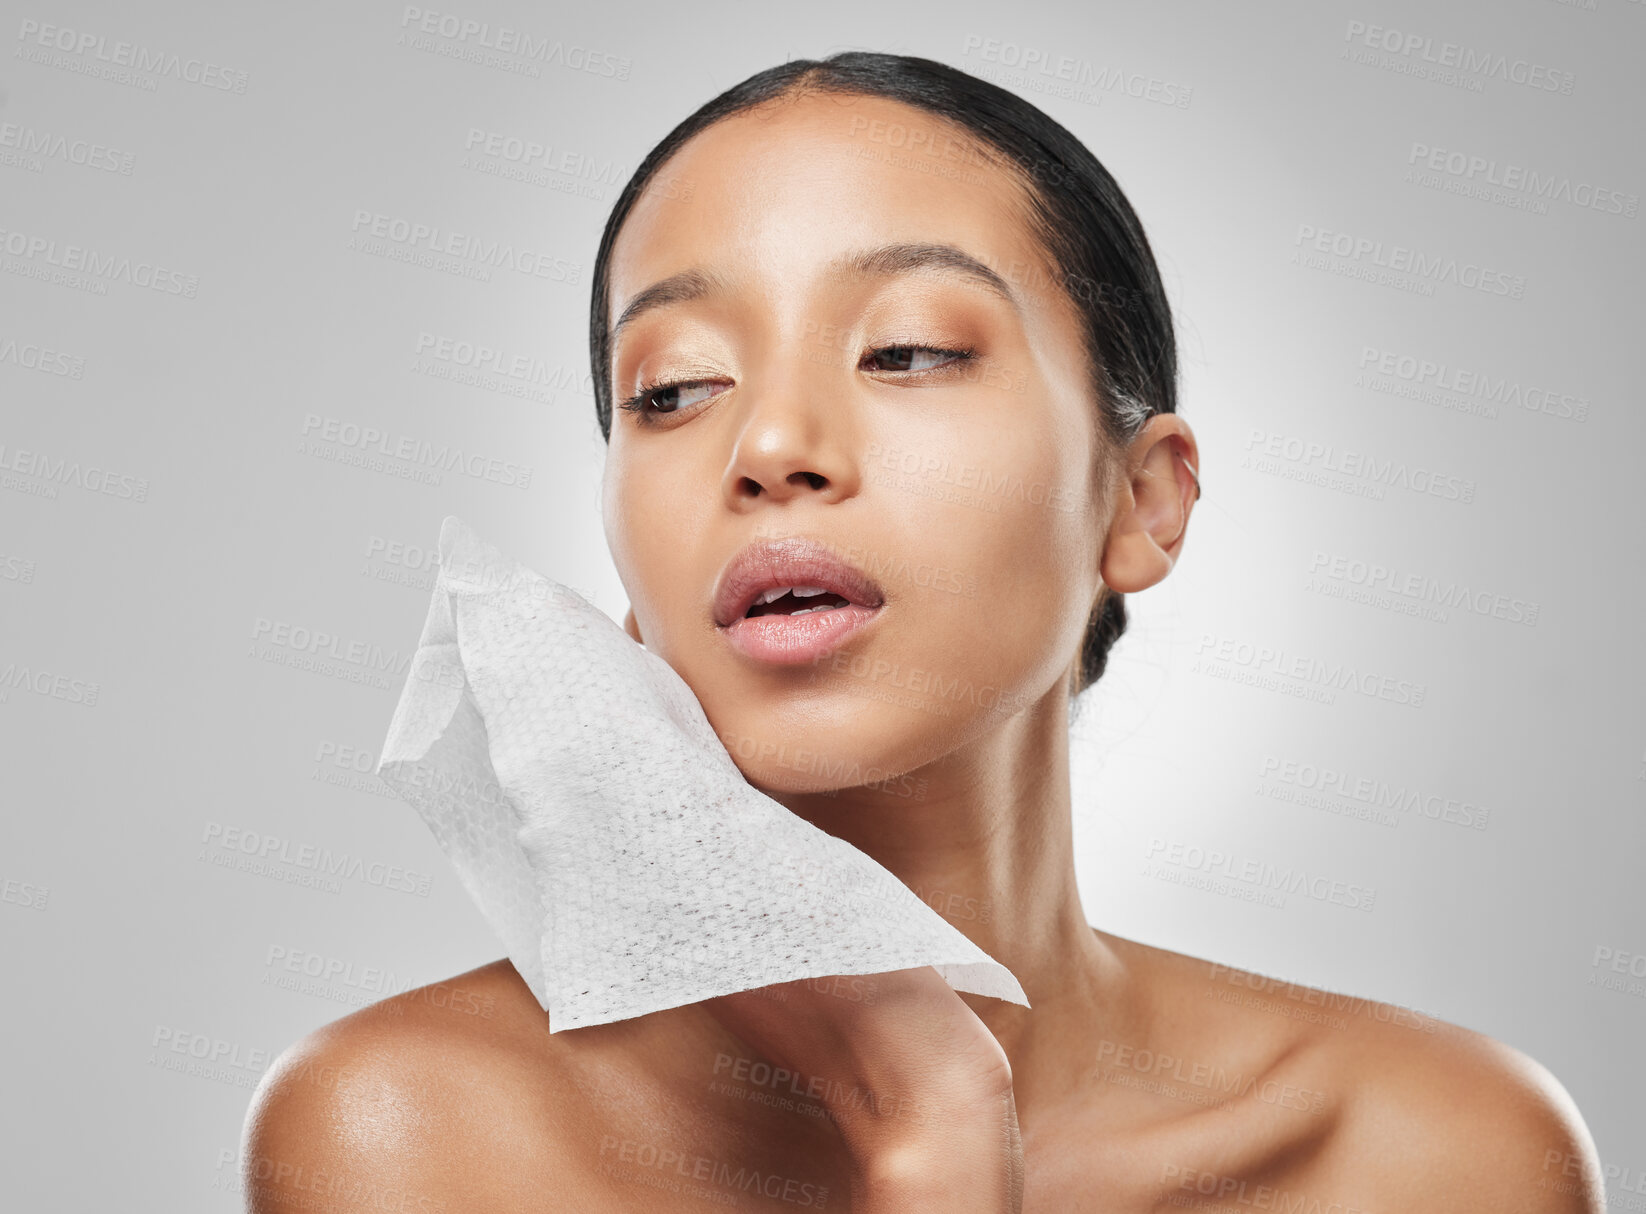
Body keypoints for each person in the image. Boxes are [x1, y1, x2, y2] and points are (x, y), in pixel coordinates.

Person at [243, 52, 1606, 1212]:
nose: (769, 445)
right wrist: (933, 1125)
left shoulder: (1432, 1152)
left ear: (1139, 502)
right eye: (671, 390)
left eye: (904, 351)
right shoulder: (418, 1135)